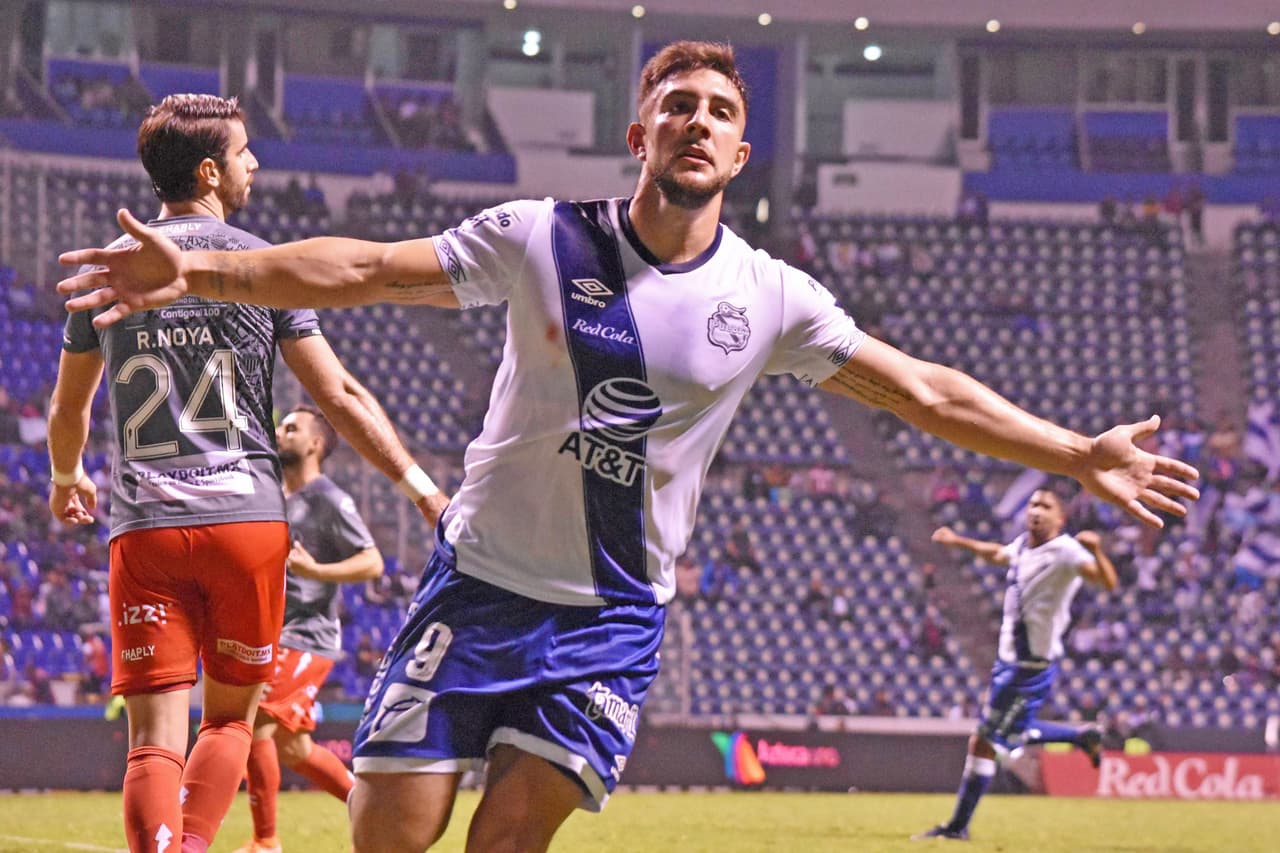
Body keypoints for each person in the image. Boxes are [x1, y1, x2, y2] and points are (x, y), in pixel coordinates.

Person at [57, 43, 1199, 853]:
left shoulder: (771, 297)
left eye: (716, 109)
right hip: (474, 589)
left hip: (605, 620)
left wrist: (1070, 452)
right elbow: (361, 268)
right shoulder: (539, 237)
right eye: (676, 103)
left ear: (740, 149)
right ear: (638, 130)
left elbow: (920, 390)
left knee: (506, 840)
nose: (695, 120)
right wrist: (203, 268)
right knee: (387, 834)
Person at [46, 93, 446, 853]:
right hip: (247, 524)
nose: (255, 164)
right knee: (231, 718)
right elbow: (338, 392)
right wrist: (420, 488)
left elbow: (71, 409)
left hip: (147, 528)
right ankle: (196, 843)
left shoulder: (112, 269)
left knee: (152, 739)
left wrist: (67, 475)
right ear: (209, 169)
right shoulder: (261, 266)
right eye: (245, 152)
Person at [914, 485, 1119, 842]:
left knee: (987, 741)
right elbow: (996, 554)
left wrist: (1098, 551)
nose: (1036, 510)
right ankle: (1083, 735)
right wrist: (956, 541)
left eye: (1045, 506)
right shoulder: (1024, 544)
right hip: (1008, 661)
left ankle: (957, 827)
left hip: (1030, 667)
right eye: (1032, 504)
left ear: (1061, 517)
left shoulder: (1067, 551)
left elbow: (1107, 582)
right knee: (996, 739)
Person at [232, 405, 386, 853]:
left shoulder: (329, 499)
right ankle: (372, 810)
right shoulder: (276, 498)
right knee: (294, 749)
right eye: (282, 426)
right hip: (275, 631)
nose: (281, 432)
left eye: (292, 428)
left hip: (308, 636)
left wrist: (317, 571)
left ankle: (266, 842)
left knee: (255, 721)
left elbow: (371, 561)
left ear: (316, 444)